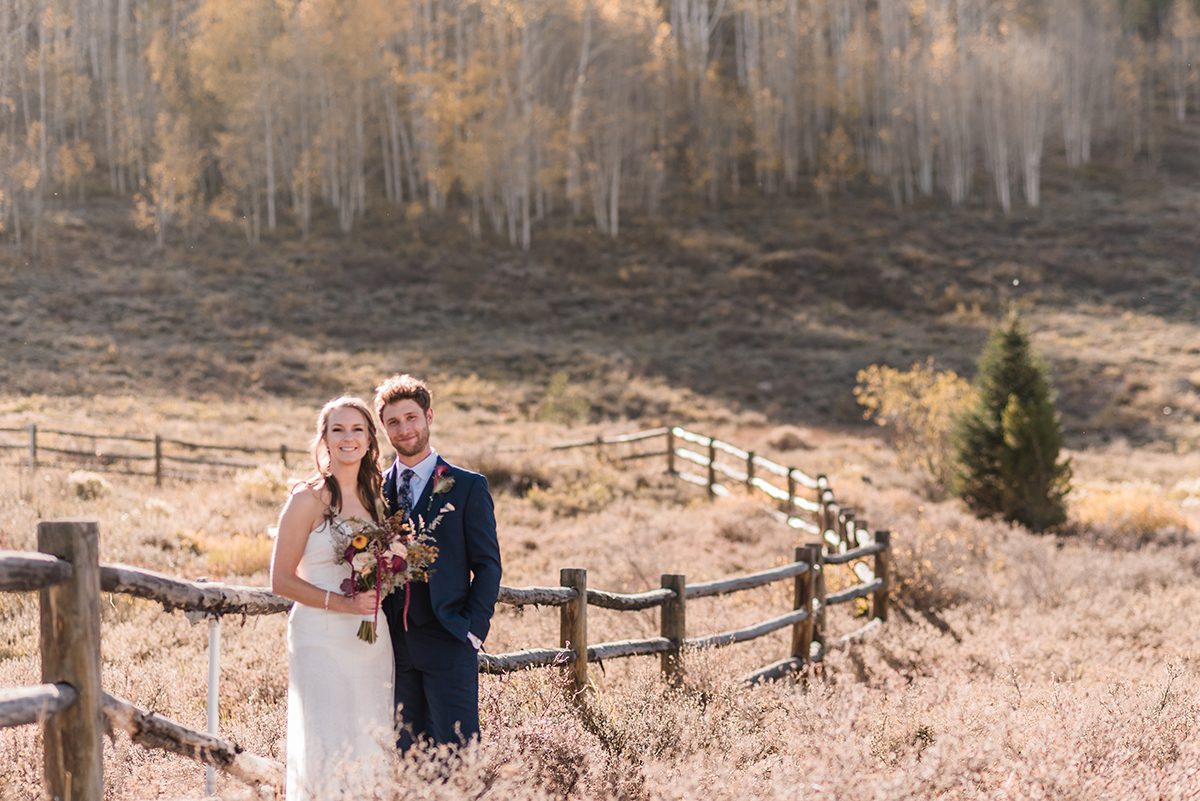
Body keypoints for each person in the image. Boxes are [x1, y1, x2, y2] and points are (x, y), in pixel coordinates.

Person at [270, 396, 395, 800]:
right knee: (327, 740)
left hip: (371, 640)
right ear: (323, 438)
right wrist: (342, 604)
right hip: (319, 636)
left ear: (370, 439)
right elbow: (280, 580)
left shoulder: (378, 499)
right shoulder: (306, 498)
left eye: (357, 429)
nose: (348, 438)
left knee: (370, 737)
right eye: (337, 429)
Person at [375, 373, 502, 750]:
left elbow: (488, 564)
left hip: (449, 638)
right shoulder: (374, 491)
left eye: (411, 417)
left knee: (455, 756)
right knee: (406, 758)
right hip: (392, 648)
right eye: (393, 422)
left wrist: (472, 630)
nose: (404, 428)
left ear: (429, 416)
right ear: (383, 428)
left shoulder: (467, 486)